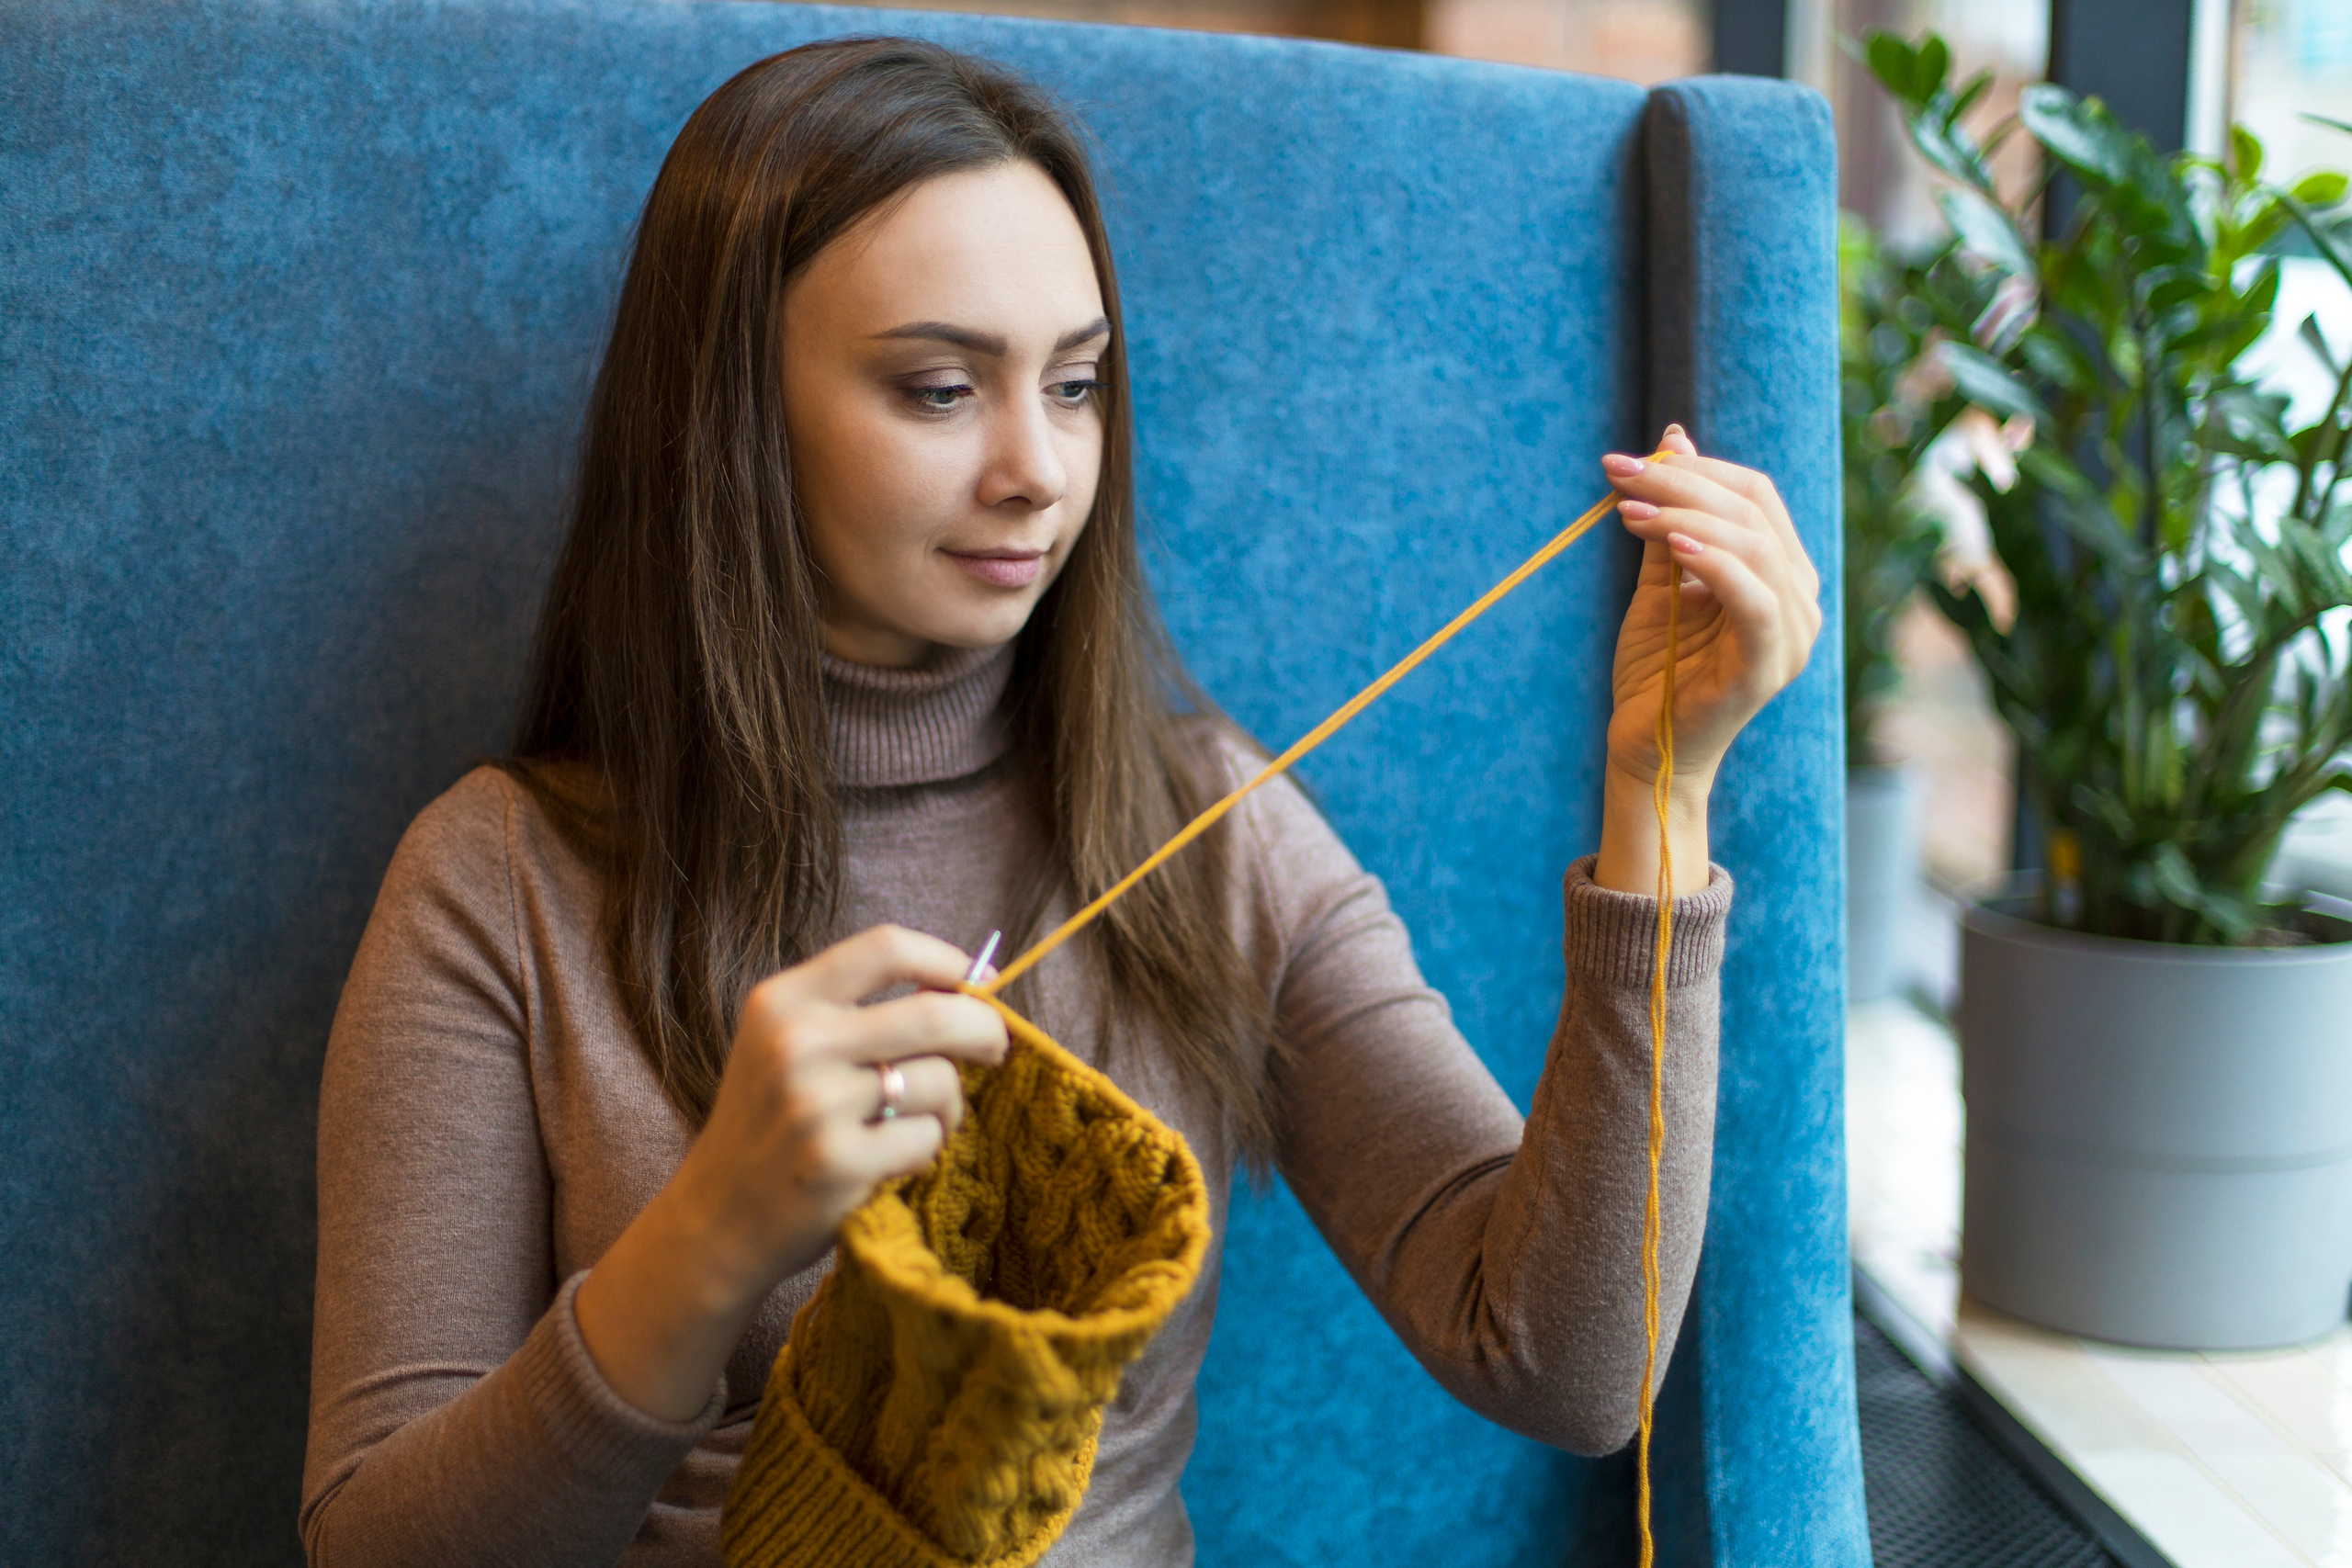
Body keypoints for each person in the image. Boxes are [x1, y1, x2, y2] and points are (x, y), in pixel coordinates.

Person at [300, 35, 1821, 1568]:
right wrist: (708, 1240)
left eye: (1078, 383)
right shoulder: (501, 883)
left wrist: (1662, 787)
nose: (1039, 468)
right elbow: (374, 1546)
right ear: (732, 413)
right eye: (942, 387)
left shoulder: (1203, 825)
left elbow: (1565, 1362)